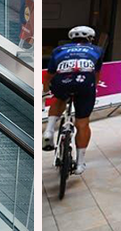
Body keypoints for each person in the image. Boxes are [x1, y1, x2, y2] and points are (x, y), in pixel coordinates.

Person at [43, 26, 104, 173]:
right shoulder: (97, 50)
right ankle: (80, 164)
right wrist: (93, 88)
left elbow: (50, 74)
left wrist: (45, 90)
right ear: (90, 38)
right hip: (84, 84)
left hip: (62, 80)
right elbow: (96, 73)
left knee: (59, 98)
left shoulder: (59, 50)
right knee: (82, 123)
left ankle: (49, 130)